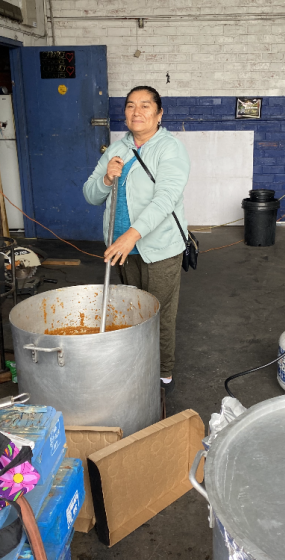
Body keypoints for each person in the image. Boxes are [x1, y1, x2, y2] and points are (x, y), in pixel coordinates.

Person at [83, 85, 190, 393]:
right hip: (121, 247)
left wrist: (132, 235)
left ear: (159, 114)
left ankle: (161, 373)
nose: (137, 112)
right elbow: (90, 194)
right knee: (132, 308)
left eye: (145, 106)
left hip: (159, 246)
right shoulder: (117, 149)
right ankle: (138, 362)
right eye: (130, 106)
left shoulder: (170, 148)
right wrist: (106, 179)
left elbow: (165, 198)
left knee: (158, 311)